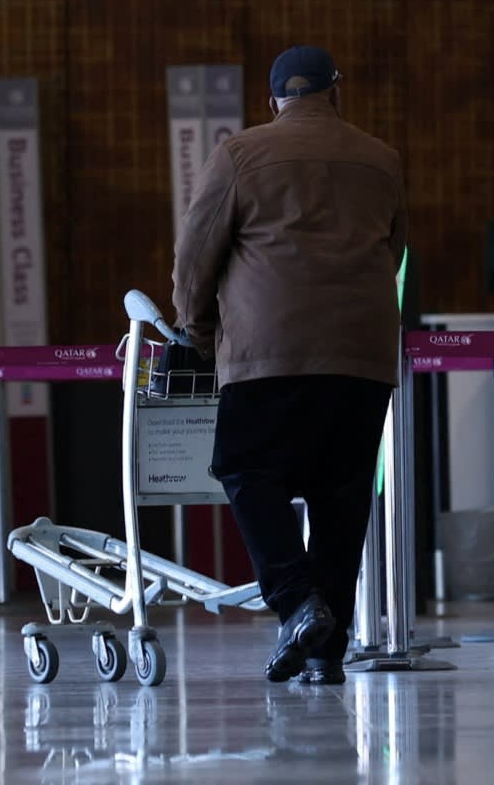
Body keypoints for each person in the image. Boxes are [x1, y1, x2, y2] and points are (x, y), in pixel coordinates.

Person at [173, 45, 408, 685]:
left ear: (273, 101)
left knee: (244, 467)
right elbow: (393, 250)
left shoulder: (239, 155)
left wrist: (198, 332)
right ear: (337, 92)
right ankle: (326, 652)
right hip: (361, 354)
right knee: (341, 493)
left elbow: (195, 257)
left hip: (266, 352)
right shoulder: (382, 159)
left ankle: (297, 601)